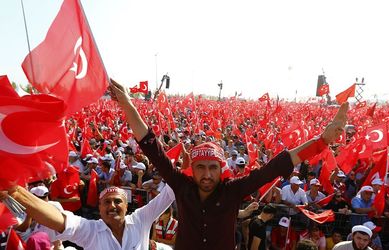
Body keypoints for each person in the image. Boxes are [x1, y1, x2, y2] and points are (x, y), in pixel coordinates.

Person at [110, 79, 348, 250]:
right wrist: (129, 106)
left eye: (213, 167)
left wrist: (323, 140)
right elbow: (152, 147)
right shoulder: (181, 186)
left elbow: (275, 166)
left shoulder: (233, 190)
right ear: (192, 169)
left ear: (221, 168)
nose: (206, 174)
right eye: (200, 167)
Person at [0, 184, 175, 250]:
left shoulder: (141, 220)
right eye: (106, 202)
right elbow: (59, 219)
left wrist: (186, 171)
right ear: (99, 208)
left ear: (126, 205)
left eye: (117, 201)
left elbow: (168, 194)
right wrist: (16, 192)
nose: (112, 206)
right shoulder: (90, 231)